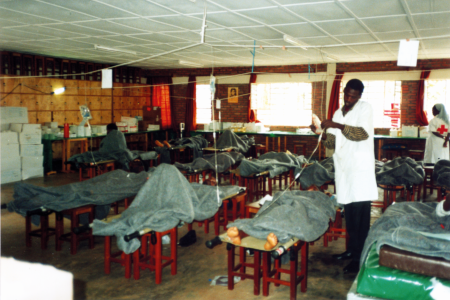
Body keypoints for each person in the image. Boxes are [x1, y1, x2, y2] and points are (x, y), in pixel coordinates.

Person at [310, 79, 378, 274]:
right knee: (349, 214)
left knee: (360, 219)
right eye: (347, 95)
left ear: (359, 96)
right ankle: (351, 251)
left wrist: (336, 125)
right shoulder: (338, 113)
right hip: (344, 170)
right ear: (343, 92)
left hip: (360, 170)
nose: (349, 99)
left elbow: (361, 134)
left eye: (353, 96)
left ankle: (359, 258)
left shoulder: (365, 108)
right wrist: (320, 133)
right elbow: (331, 142)